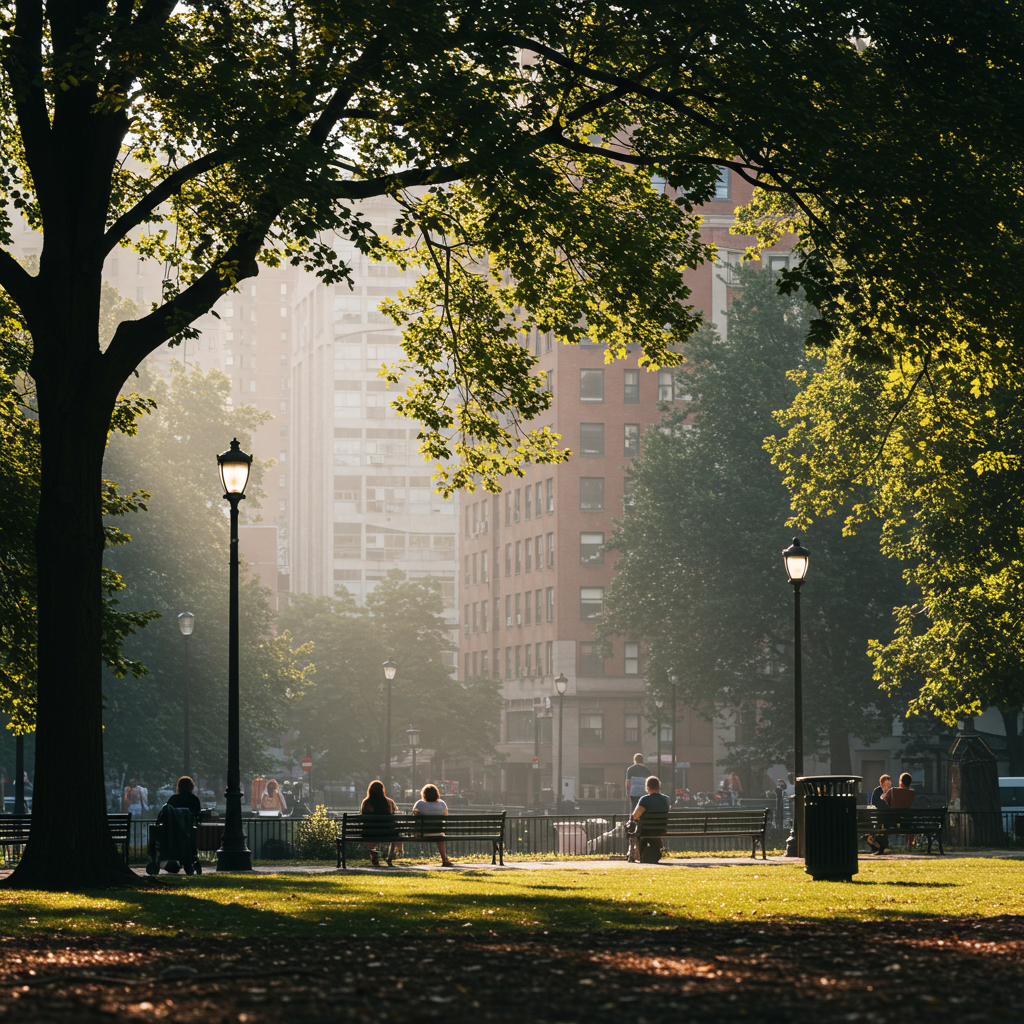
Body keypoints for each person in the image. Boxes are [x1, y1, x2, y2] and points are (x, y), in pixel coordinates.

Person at [161, 776, 203, 875]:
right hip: (188, 831)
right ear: (191, 787)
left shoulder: (173, 799)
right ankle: (191, 861)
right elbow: (197, 815)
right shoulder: (194, 799)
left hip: (172, 832)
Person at [629, 775, 671, 862]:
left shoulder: (645, 799)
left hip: (647, 830)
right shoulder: (666, 799)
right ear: (659, 787)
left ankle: (637, 854)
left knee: (634, 829)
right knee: (650, 835)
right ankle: (655, 850)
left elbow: (635, 815)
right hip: (661, 829)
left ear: (647, 788)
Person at [413, 783, 453, 866]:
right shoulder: (442, 803)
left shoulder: (419, 804)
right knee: (440, 836)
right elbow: (445, 814)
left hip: (422, 833)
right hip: (438, 833)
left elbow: (414, 815)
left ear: (424, 794)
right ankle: (444, 859)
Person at [360, 779, 398, 866]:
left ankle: (373, 851)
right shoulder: (389, 802)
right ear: (382, 790)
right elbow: (394, 813)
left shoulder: (366, 802)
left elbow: (362, 817)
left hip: (370, 834)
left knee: (369, 831)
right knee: (394, 834)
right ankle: (389, 858)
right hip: (388, 833)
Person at [884, 772, 916, 849]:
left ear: (901, 782)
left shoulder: (893, 791)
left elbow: (886, 802)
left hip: (892, 821)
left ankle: (885, 844)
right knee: (909, 819)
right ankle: (908, 845)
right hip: (907, 822)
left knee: (885, 820)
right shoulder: (912, 793)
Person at [864, 773, 893, 854]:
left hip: (888, 819)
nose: (888, 786)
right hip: (878, 818)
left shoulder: (892, 792)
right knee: (880, 823)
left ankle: (877, 844)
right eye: (887, 784)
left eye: (889, 784)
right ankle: (877, 845)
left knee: (884, 823)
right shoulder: (877, 791)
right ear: (882, 784)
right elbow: (875, 804)